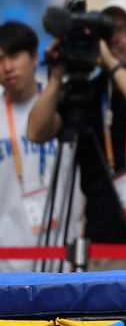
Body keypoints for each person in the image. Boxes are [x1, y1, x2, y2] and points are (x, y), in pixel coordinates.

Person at [27, 0, 126, 269]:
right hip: (105, 245)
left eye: (124, 30)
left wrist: (110, 64)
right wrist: (55, 78)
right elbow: (36, 131)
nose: (114, 37)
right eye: (109, 29)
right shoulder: (86, 92)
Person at [0, 21, 83, 272]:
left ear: (36, 57)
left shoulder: (65, 106)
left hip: (64, 256)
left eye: (14, 56)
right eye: (0, 59)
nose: (7, 67)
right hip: (8, 263)